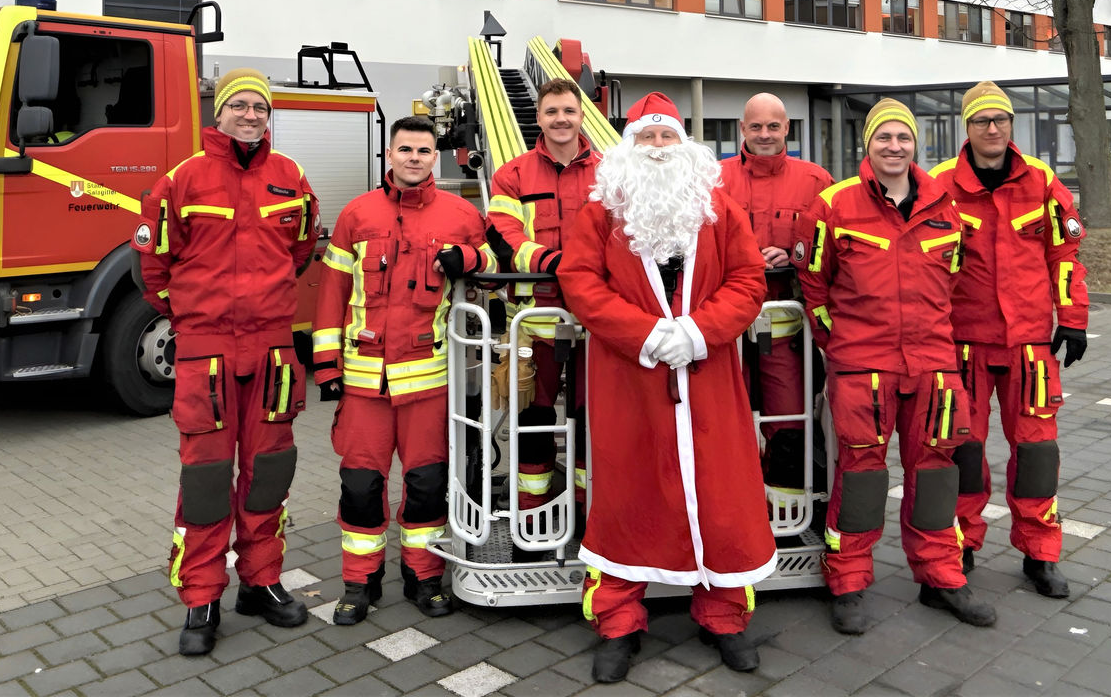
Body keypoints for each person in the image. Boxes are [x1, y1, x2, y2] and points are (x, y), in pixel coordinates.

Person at [557, 92, 776, 683]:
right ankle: (618, 621)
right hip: (630, 381)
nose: (657, 149)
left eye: (667, 138)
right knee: (627, 498)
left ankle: (724, 616)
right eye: (647, 139)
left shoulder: (719, 210)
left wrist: (700, 333)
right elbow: (578, 281)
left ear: (687, 147)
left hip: (708, 380)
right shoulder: (601, 212)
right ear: (628, 149)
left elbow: (748, 279)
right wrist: (647, 334)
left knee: (721, 496)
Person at [792, 98, 997, 635]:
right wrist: (842, 346)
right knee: (861, 476)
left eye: (903, 138)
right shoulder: (835, 206)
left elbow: (952, 279)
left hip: (933, 366)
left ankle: (941, 576)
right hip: (864, 367)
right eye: (883, 138)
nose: (894, 147)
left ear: (916, 145)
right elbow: (814, 283)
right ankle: (849, 580)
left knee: (936, 474)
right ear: (868, 145)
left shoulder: (946, 206)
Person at [133, 69, 318, 656]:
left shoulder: (291, 177)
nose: (249, 115)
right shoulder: (182, 179)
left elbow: (302, 247)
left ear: (268, 116)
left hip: (272, 350)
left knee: (268, 473)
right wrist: (192, 318)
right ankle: (201, 599)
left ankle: (260, 583)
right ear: (219, 114)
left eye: (258, 107)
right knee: (208, 481)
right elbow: (154, 266)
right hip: (206, 353)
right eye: (238, 105)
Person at [313, 115, 497, 625]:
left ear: (434, 156)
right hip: (364, 384)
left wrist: (469, 256)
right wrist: (326, 366)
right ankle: (359, 584)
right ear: (389, 154)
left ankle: (424, 579)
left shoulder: (462, 214)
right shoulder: (356, 215)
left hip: (430, 384)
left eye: (424, 150)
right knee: (360, 489)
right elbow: (331, 294)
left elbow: (493, 264)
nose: (415, 158)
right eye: (406, 149)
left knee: (426, 488)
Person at [931, 81, 1087, 598]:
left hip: (1029, 349)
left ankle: (1040, 553)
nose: (992, 129)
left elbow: (1064, 255)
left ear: (1011, 126)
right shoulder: (939, 185)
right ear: (966, 128)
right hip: (964, 347)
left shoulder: (1041, 181)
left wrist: (1073, 318)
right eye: (981, 121)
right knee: (963, 451)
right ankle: (962, 543)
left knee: (1038, 453)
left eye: (1000, 119)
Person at [486, 78, 599, 531]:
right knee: (533, 418)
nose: (561, 119)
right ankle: (533, 514)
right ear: (539, 118)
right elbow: (505, 236)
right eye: (552, 112)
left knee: (592, 419)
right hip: (533, 324)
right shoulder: (511, 175)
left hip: (597, 322)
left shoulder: (610, 173)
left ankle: (591, 514)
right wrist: (559, 262)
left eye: (568, 111)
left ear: (581, 116)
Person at [720, 93, 833, 488]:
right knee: (723, 420)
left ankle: (785, 509)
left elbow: (829, 248)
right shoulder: (715, 180)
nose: (764, 135)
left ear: (787, 128)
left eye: (772, 126)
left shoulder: (816, 181)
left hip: (786, 330)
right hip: (725, 327)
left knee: (789, 421)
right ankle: (736, 504)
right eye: (756, 127)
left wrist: (791, 255)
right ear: (742, 129)